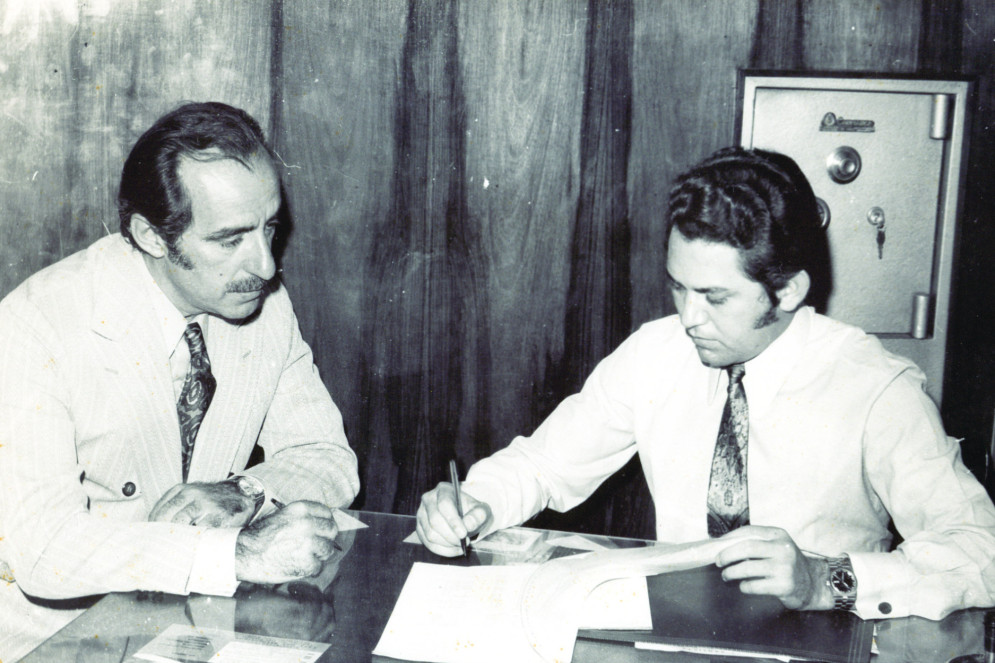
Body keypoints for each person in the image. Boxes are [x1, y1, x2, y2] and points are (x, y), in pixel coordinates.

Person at [417, 147, 995, 621]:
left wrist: (827, 580)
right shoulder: (656, 353)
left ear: (788, 291)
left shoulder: (877, 388)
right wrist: (474, 505)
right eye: (678, 287)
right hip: (676, 632)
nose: (689, 317)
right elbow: (544, 466)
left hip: (824, 634)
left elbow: (981, 550)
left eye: (715, 297)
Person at [0, 102, 359, 661]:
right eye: (229, 239)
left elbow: (328, 457)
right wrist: (236, 553)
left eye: (269, 228)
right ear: (150, 236)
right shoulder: (35, 326)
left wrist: (240, 493)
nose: (264, 266)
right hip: (54, 643)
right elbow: (43, 551)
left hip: (188, 625)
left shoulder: (262, 305)